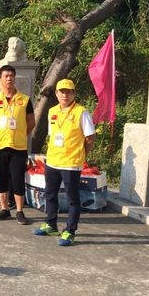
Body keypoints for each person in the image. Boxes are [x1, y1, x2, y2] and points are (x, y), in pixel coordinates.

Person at [33, 79, 96, 246]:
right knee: (50, 194)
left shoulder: (81, 113)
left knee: (72, 199)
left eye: (68, 92)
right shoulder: (52, 111)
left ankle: (70, 231)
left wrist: (82, 155)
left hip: (71, 163)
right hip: (53, 161)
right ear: (56, 94)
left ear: (74, 94)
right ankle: (51, 224)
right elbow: (52, 135)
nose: (65, 95)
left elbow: (90, 138)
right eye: (62, 91)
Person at [0, 65, 35, 225]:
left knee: (17, 179)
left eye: (11, 76)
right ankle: (4, 209)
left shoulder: (25, 100)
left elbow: (31, 123)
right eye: (6, 76)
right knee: (1, 179)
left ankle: (20, 211)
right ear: (0, 79)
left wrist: (20, 134)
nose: (9, 78)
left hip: (18, 147)